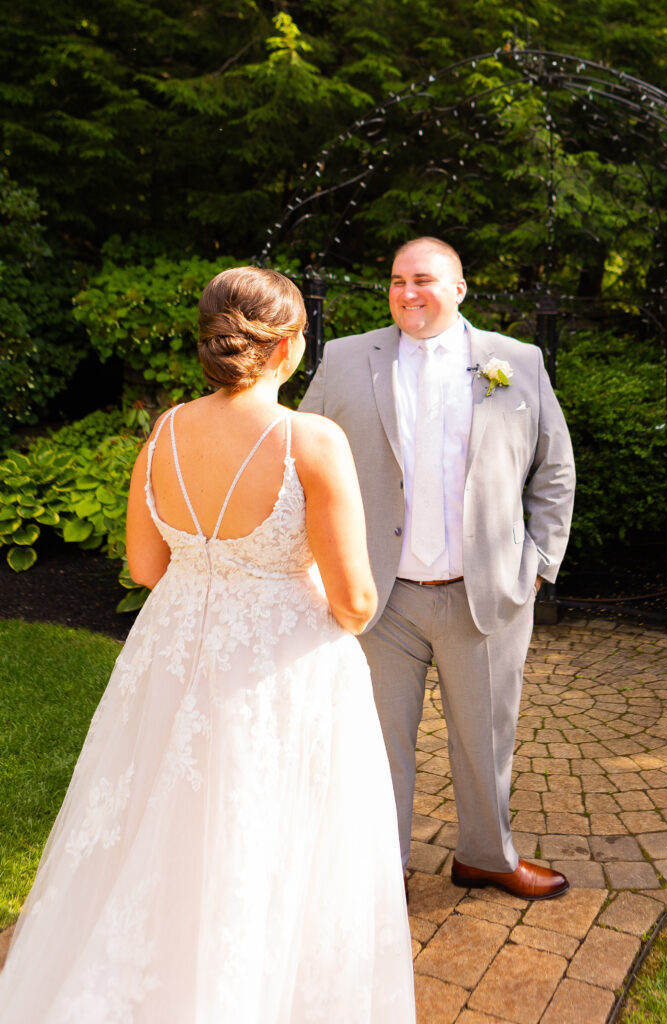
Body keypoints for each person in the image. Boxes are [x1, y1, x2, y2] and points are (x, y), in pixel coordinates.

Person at [0, 267, 416, 1022]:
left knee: (162, 829)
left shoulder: (164, 431)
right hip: (278, 672)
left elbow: (144, 566)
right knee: (263, 839)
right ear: (289, 346)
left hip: (172, 654)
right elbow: (356, 604)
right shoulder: (310, 440)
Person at [300, 237, 576, 901]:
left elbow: (555, 468)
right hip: (380, 599)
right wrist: (321, 568)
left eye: (421, 279)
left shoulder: (515, 362)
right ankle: (379, 866)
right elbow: (300, 463)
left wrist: (537, 563)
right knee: (376, 742)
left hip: (485, 596)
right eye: (395, 280)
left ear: (458, 287)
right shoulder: (342, 359)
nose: (405, 292)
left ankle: (486, 855)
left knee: (485, 741)